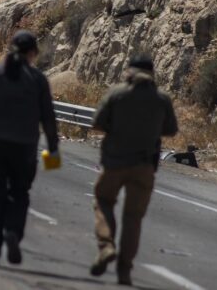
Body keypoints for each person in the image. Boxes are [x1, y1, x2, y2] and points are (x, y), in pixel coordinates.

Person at [0, 30, 59, 267]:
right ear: (33, 53)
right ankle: (13, 231)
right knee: (20, 193)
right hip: (24, 148)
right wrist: (53, 149)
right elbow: (48, 118)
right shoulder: (38, 80)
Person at [89, 55, 178, 285]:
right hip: (144, 166)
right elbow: (170, 130)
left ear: (129, 70)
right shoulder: (162, 99)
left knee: (103, 200)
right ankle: (125, 272)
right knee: (133, 218)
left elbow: (97, 123)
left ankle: (106, 246)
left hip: (114, 162)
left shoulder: (117, 93)